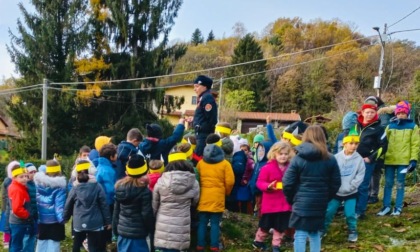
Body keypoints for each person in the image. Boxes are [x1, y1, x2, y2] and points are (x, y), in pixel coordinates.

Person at [283, 125, 341, 252]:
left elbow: (287, 183)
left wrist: (292, 198)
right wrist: (326, 197)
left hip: (301, 202)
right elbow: (336, 183)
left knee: (300, 235)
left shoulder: (298, 158)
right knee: (314, 234)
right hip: (320, 202)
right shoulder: (330, 159)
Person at [322, 126, 365, 242]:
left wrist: (352, 186)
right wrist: (333, 186)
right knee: (329, 212)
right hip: (336, 191)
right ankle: (322, 229)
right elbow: (331, 174)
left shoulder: (359, 159)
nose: (354, 146)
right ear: (344, 144)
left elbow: (360, 175)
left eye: (356, 144)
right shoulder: (336, 158)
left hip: (351, 192)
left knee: (350, 213)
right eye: (351, 143)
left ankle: (352, 230)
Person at [377, 101, 420, 216]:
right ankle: (386, 207)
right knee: (388, 183)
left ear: (407, 113)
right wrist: (380, 156)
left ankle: (398, 207)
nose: (401, 115)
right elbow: (383, 142)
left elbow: (415, 144)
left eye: (403, 113)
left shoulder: (413, 127)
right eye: (399, 113)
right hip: (389, 160)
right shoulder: (390, 126)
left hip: (403, 161)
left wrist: (413, 160)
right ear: (395, 113)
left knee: (400, 184)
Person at [153, 152, 200, 251]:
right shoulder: (194, 183)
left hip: (163, 224)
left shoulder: (161, 181)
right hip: (182, 224)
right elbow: (195, 202)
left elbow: (154, 204)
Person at [252, 142, 293, 252]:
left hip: (284, 204)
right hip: (270, 204)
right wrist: (268, 186)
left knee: (280, 227)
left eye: (285, 154)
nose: (283, 156)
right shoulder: (267, 168)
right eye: (280, 154)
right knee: (265, 226)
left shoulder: (291, 168)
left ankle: (276, 245)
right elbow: (259, 182)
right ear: (274, 154)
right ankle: (258, 241)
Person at [196, 134, 234, 252]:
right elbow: (230, 181)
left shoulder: (201, 163)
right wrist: (226, 193)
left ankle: (200, 245)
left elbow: (196, 179)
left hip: (203, 197)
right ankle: (214, 246)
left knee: (202, 223)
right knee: (215, 223)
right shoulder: (225, 164)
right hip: (218, 197)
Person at [64, 160, 112, 252]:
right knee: (96, 248)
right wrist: (108, 222)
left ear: (75, 173)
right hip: (95, 222)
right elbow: (104, 205)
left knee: (76, 246)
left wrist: (65, 218)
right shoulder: (97, 186)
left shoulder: (74, 188)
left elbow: (68, 204)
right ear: (91, 171)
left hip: (79, 222)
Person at [113, 154, 154, 252]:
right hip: (138, 234)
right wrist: (151, 229)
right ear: (145, 170)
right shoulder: (144, 191)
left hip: (122, 232)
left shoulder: (119, 188)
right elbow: (146, 214)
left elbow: (116, 210)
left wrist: (115, 229)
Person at [354, 103, 388, 219]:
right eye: (367, 112)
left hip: (367, 161)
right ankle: (351, 209)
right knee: (352, 186)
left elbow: (383, 146)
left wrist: (371, 158)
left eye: (372, 112)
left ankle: (360, 211)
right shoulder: (355, 127)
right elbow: (348, 141)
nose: (369, 114)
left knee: (363, 186)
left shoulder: (379, 128)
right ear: (362, 113)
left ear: (375, 114)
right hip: (353, 160)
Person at [364, 96, 394, 204]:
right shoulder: (370, 114)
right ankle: (368, 194)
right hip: (369, 147)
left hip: (378, 147)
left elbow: (384, 126)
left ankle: (373, 194)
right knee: (369, 172)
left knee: (375, 171)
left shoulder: (383, 113)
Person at [34, 160, 67, 252]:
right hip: (54, 221)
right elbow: (59, 206)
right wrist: (62, 219)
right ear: (59, 170)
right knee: (53, 244)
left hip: (42, 220)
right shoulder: (60, 186)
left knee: (41, 243)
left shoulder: (39, 183)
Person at [8, 164, 35, 252]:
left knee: (16, 244)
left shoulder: (20, 187)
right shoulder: (17, 190)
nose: (25, 179)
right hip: (19, 222)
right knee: (17, 246)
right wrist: (27, 215)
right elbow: (17, 209)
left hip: (18, 221)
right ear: (14, 177)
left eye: (26, 176)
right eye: (21, 177)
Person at [192, 75, 218, 164]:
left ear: (205, 86)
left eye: (197, 86)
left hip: (203, 135)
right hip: (200, 134)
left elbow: (211, 119)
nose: (195, 89)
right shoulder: (203, 98)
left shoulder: (207, 98)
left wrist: (202, 127)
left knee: (198, 159)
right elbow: (203, 116)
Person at [96, 143, 118, 246]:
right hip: (108, 203)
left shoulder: (100, 166)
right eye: (116, 154)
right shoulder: (108, 171)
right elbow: (110, 190)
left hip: (101, 203)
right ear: (111, 156)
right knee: (107, 230)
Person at [1, 161, 19, 249]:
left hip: (14, 206)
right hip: (8, 207)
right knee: (6, 225)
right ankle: (6, 241)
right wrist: (4, 207)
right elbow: (4, 196)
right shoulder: (8, 181)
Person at [23, 163, 38, 252]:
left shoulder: (36, 184)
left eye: (34, 172)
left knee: (33, 236)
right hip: (27, 216)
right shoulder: (25, 185)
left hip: (35, 215)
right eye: (31, 172)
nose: (33, 174)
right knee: (26, 237)